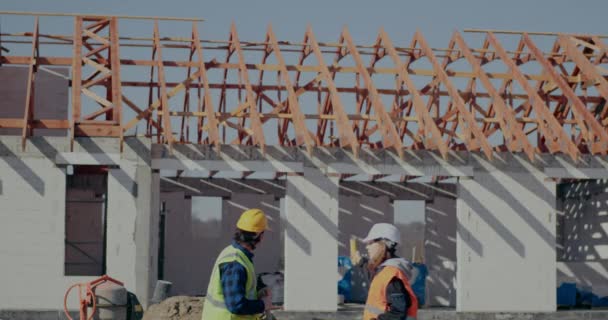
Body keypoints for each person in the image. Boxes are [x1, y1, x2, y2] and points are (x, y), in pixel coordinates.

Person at [201, 208, 273, 320]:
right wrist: (263, 305)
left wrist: (258, 290)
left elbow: (242, 288)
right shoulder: (234, 262)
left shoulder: (235, 254)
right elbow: (236, 305)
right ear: (259, 235)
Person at [360, 223, 418, 320]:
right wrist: (362, 263)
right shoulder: (383, 271)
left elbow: (398, 313)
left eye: (370, 243)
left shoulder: (391, 275)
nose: (367, 247)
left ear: (384, 244)